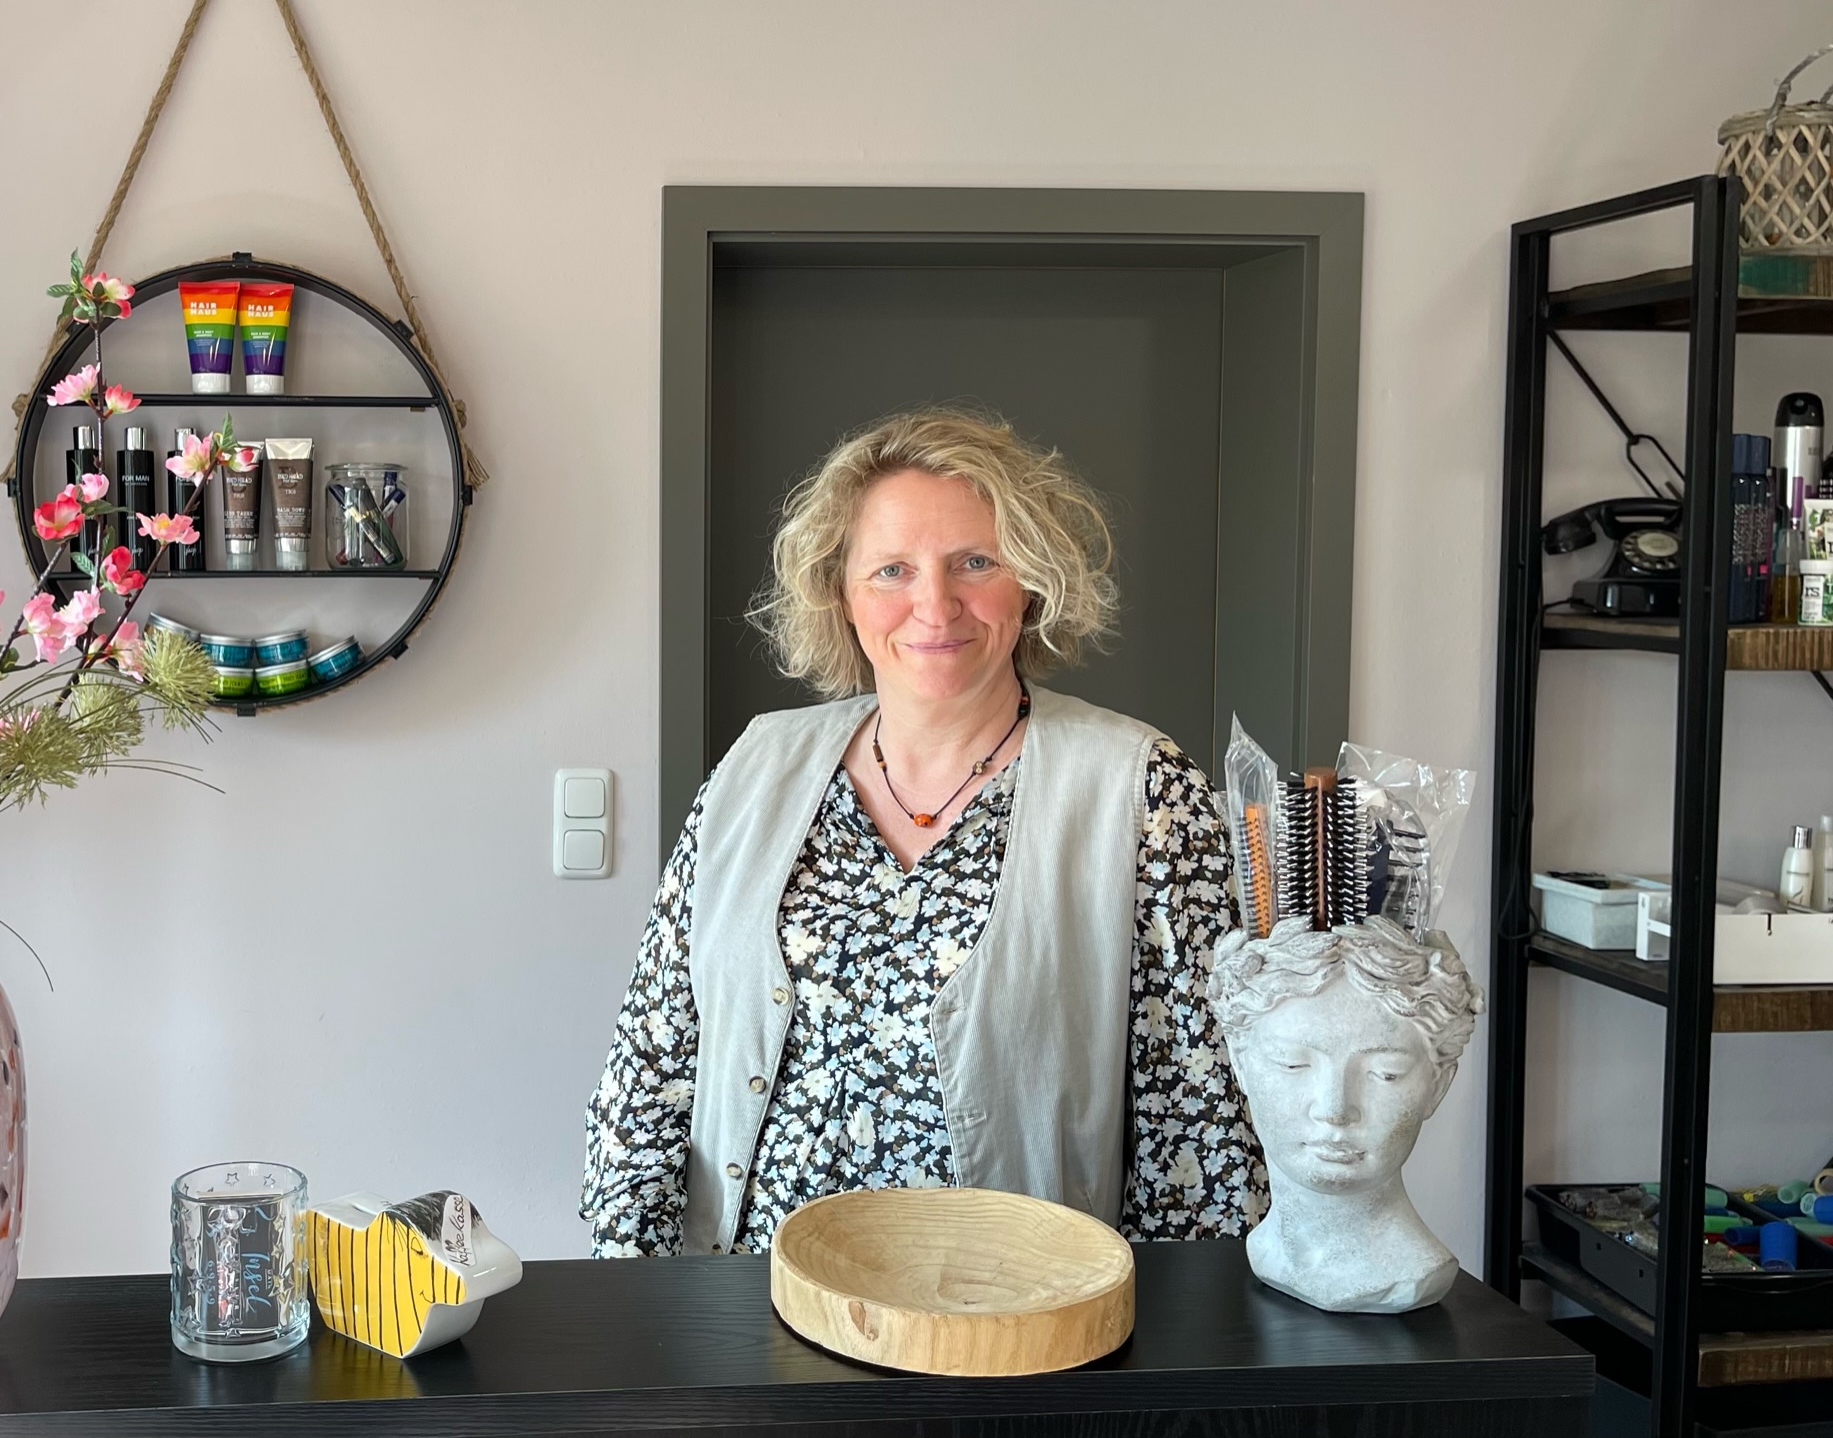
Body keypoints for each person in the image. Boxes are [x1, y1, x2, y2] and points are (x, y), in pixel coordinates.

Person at [581, 405, 1265, 1256]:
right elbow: (652, 1055)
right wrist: (635, 1285)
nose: (934, 605)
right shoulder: (754, 765)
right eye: (891, 570)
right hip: (752, 1300)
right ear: (840, 593)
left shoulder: (1141, 786)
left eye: (975, 562)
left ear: (1030, 581)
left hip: (1017, 1309)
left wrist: (1164, 1326)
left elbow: (1195, 1114)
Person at [1208, 918, 1480, 1312]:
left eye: (1385, 1073)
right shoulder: (1266, 1253)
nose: (1335, 1110)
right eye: (1292, 1064)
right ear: (1240, 1062)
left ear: (1438, 1084)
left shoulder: (1415, 1272)